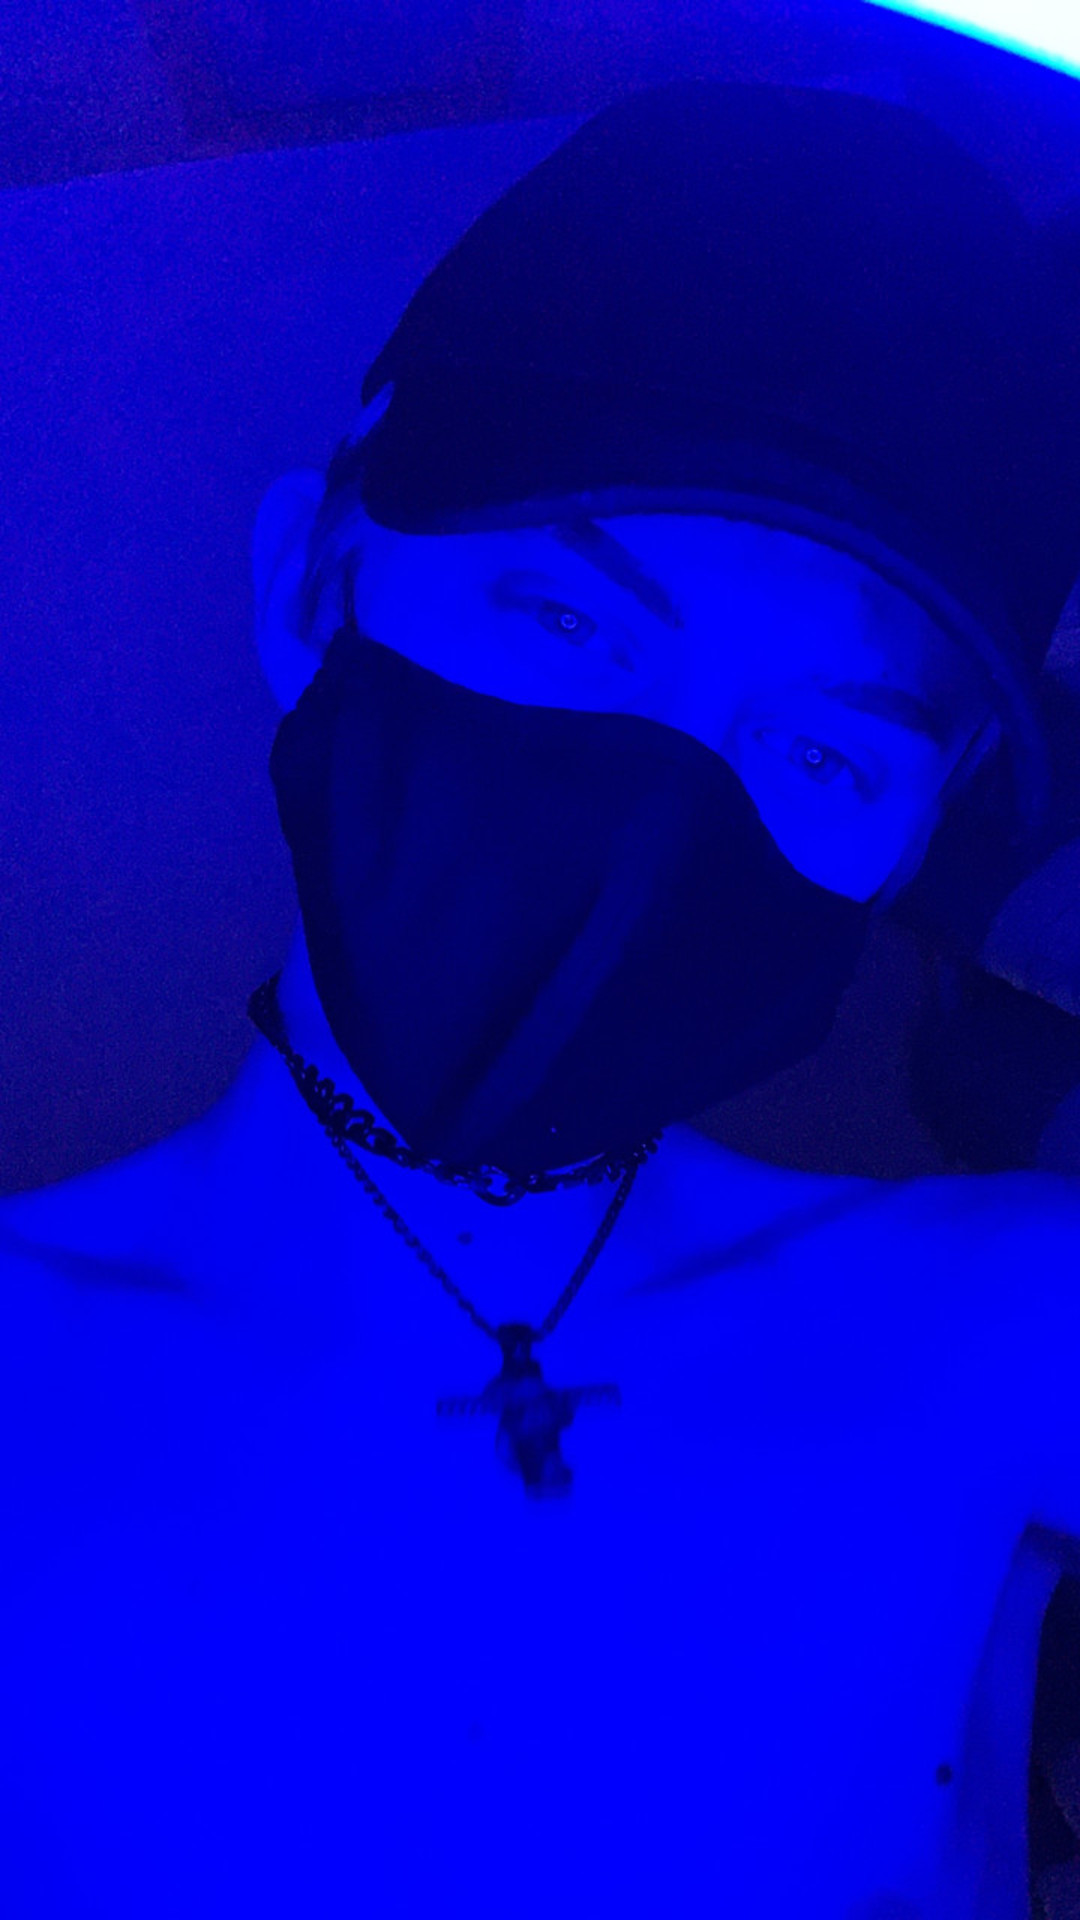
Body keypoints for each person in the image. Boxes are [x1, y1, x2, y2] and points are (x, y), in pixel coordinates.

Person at [2, 75, 1080, 1920]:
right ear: (309, 586)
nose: (663, 811)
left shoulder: (1016, 1315)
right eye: (570, 624)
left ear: (912, 846)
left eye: (824, 754)